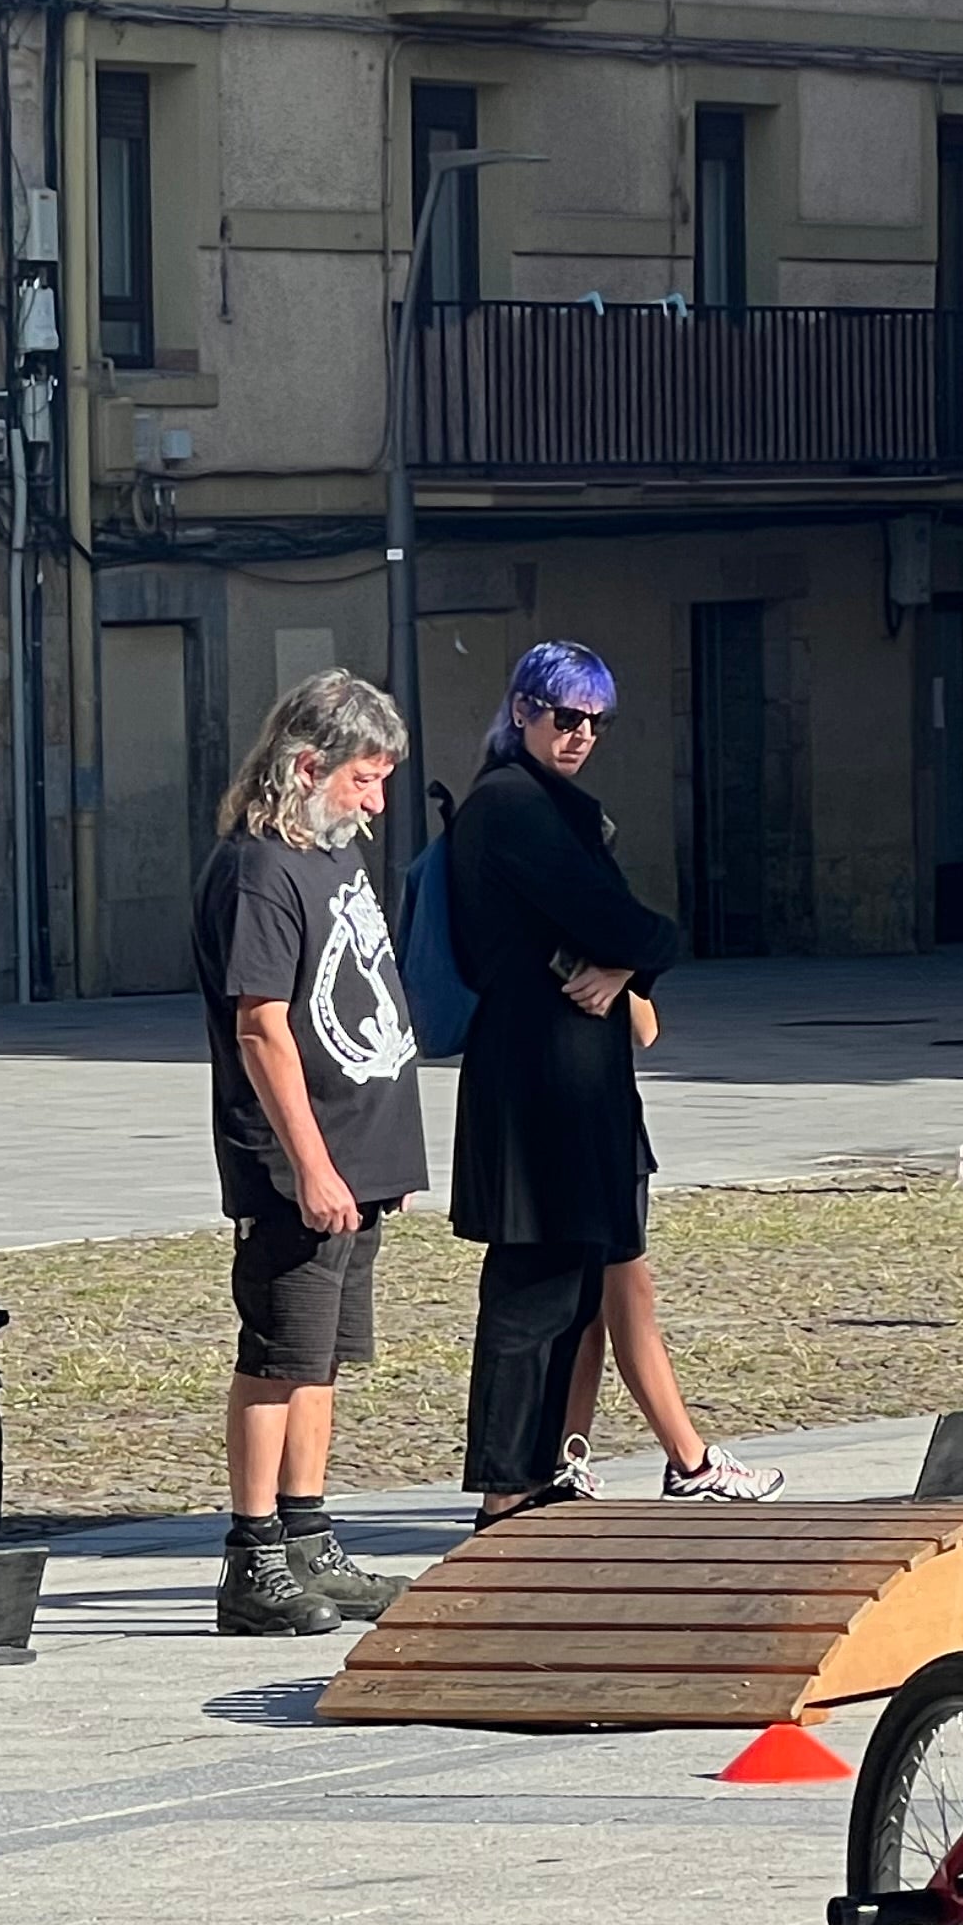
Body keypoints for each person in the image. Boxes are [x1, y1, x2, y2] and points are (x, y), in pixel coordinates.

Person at [196, 671, 428, 1636]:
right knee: (278, 1355)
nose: (377, 803)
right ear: (305, 767)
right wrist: (314, 1165)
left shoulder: (331, 858)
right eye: (363, 780)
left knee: (323, 1359)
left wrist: (377, 1162)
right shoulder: (259, 870)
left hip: (355, 1160)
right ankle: (252, 1557)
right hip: (297, 1166)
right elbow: (262, 1027)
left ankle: (309, 1538)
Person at [445, 641, 689, 1522]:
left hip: (572, 1078)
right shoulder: (512, 804)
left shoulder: (548, 803)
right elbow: (621, 919)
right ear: (522, 712)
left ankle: (536, 1470)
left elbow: (619, 934)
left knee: (575, 1282)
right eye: (565, 716)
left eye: (596, 721)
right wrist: (644, 948)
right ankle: (506, 1488)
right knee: (533, 1286)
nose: (581, 734)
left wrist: (626, 965)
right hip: (535, 1082)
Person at [551, 984, 788, 1505]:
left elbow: (643, 1028)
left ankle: (566, 1459)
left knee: (582, 1301)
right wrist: (623, 968)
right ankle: (689, 1462)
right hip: (592, 1119)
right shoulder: (579, 936)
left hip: (557, 1119)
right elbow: (645, 1028)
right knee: (624, 1293)